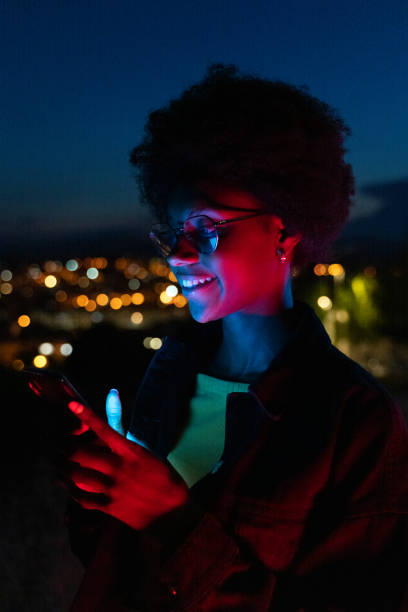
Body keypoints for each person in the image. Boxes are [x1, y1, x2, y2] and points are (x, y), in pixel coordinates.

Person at [62, 64, 408, 611]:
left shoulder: (355, 419)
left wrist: (173, 519)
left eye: (206, 229)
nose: (177, 254)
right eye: (174, 233)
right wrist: (99, 492)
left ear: (286, 230)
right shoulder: (167, 375)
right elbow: (119, 568)